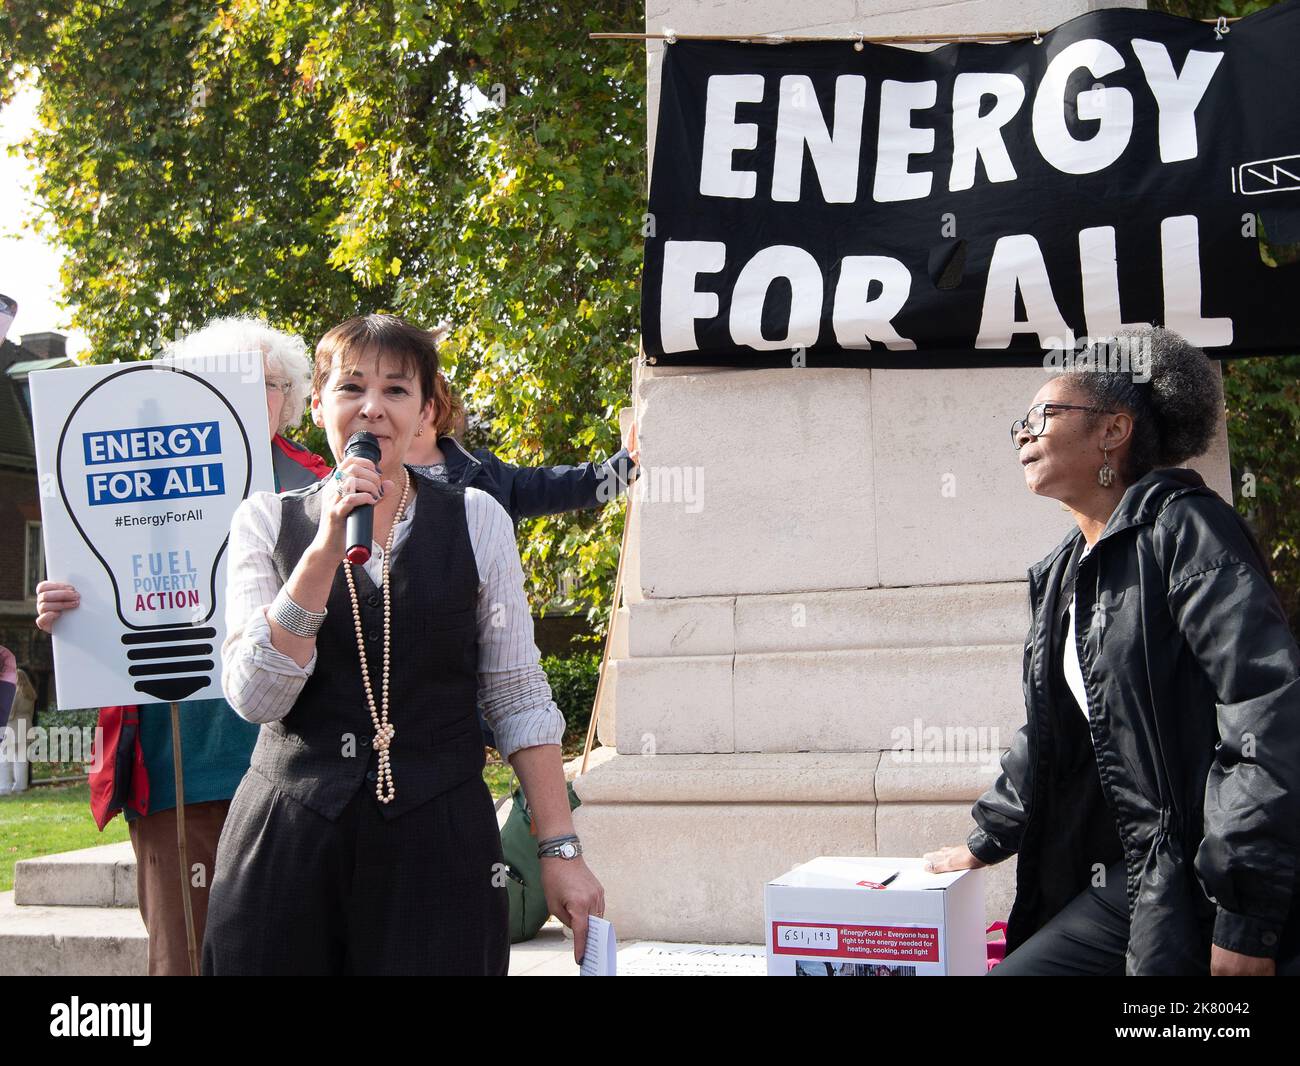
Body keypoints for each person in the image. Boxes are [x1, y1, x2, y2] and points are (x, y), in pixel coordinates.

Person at [201, 313, 603, 974]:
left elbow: (518, 694)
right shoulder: (265, 521)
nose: (372, 408)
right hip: (290, 842)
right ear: (320, 405)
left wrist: (561, 849)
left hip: (441, 844)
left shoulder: (477, 519)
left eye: (396, 390)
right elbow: (256, 694)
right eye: (351, 387)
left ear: (424, 412)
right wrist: (324, 554)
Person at [924, 327, 1300, 976]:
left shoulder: (1186, 530)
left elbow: (1266, 711)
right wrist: (983, 843)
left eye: (1043, 414)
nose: (1022, 432)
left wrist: (1247, 917)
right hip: (1139, 877)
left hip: (1212, 883)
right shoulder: (1065, 574)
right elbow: (1049, 736)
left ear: (1112, 431)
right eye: (1021, 421)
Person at [35, 317, 331, 975]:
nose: (243, 397)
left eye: (263, 383)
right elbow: (105, 608)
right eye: (217, 382)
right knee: (187, 960)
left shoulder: (325, 489)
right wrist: (71, 610)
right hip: (179, 775)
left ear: (290, 398)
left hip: (299, 772)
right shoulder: (134, 486)